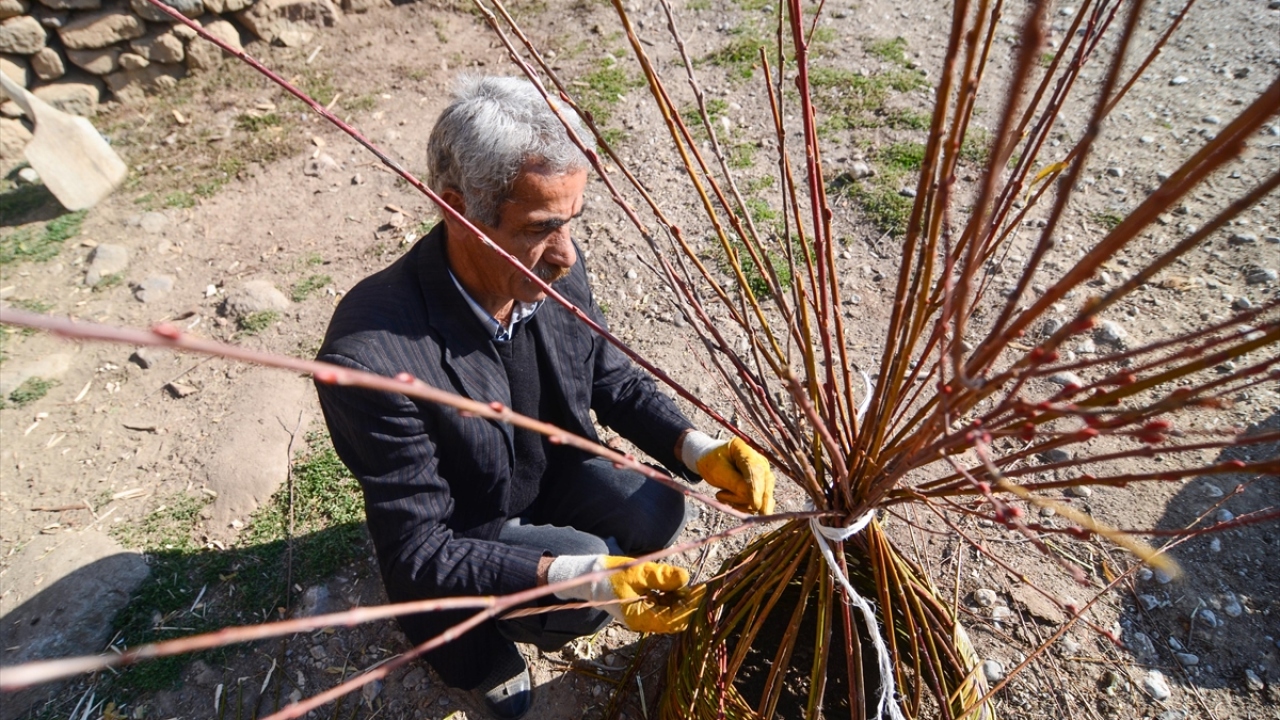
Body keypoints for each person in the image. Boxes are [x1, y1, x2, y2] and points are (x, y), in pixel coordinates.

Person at [314, 76, 776, 719]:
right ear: (456, 209)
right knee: (585, 572)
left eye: (572, 222)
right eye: (539, 227)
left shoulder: (550, 263)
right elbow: (419, 553)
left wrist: (698, 451)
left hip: (544, 470)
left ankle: (550, 576)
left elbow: (610, 379)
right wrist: (570, 575)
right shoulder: (371, 360)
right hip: (463, 526)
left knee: (659, 510)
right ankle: (475, 645)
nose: (565, 255)